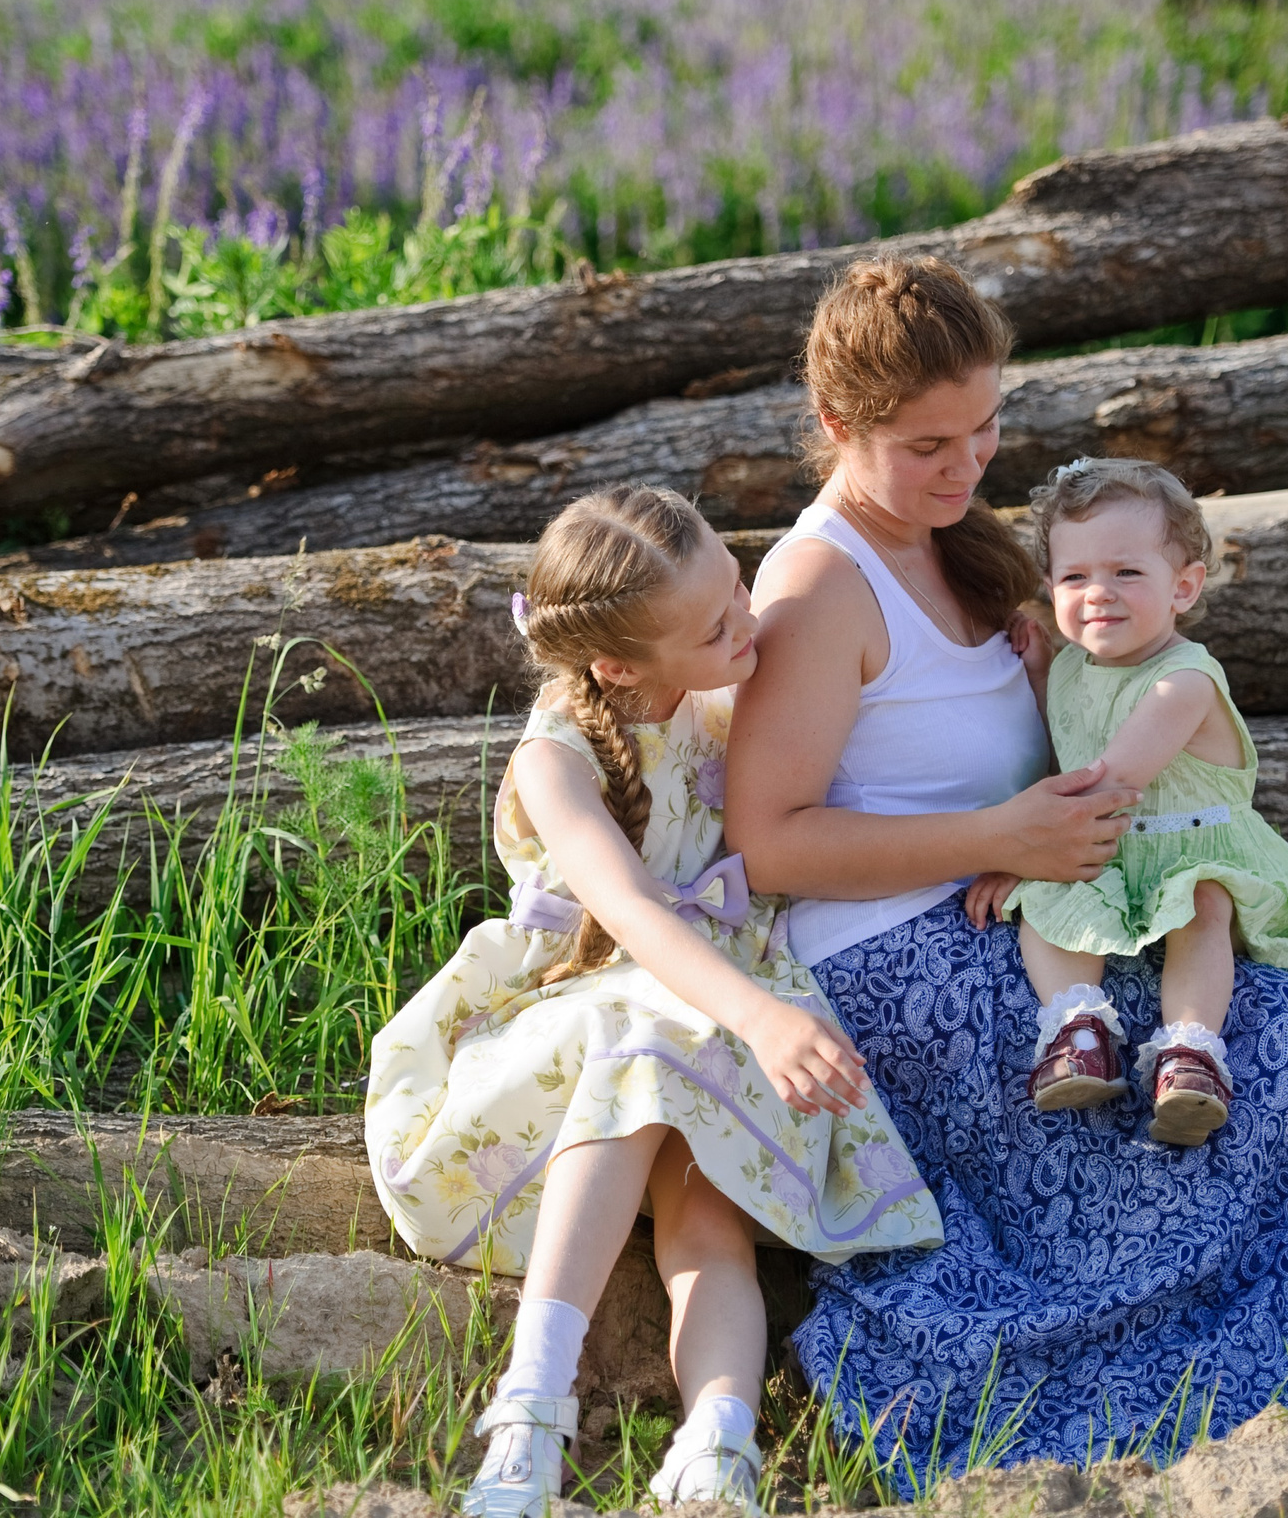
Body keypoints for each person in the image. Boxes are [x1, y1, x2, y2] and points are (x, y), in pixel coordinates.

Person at [725, 257, 1288, 1483]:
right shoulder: (820, 581)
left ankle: (1277, 1355)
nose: (966, 465)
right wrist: (996, 840)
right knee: (1246, 1051)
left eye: (986, 427)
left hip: (1022, 897)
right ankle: (1144, 1381)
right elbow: (769, 843)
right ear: (838, 428)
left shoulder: (957, 540)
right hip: (891, 955)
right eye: (928, 444)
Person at [365, 484, 942, 1518]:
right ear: (619, 665)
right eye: (718, 623)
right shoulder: (557, 755)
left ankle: (718, 1439)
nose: (751, 624)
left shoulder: (734, 689)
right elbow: (629, 915)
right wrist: (762, 1016)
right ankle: (530, 1406)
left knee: (705, 1203)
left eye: (740, 588)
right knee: (641, 1036)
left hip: (702, 1014)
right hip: (564, 1019)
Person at [963, 457, 1288, 1138]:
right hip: (1111, 852)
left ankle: (1190, 1054)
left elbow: (1110, 780)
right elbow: (1067, 751)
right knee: (1049, 907)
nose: (1098, 593)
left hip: (1191, 851)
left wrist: (1017, 851)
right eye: (1075, 576)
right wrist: (1035, 673)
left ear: (1184, 586)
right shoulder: (1069, 671)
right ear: (1050, 584)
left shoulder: (1185, 681)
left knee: (1200, 905)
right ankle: (1078, 1028)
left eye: (1127, 573)